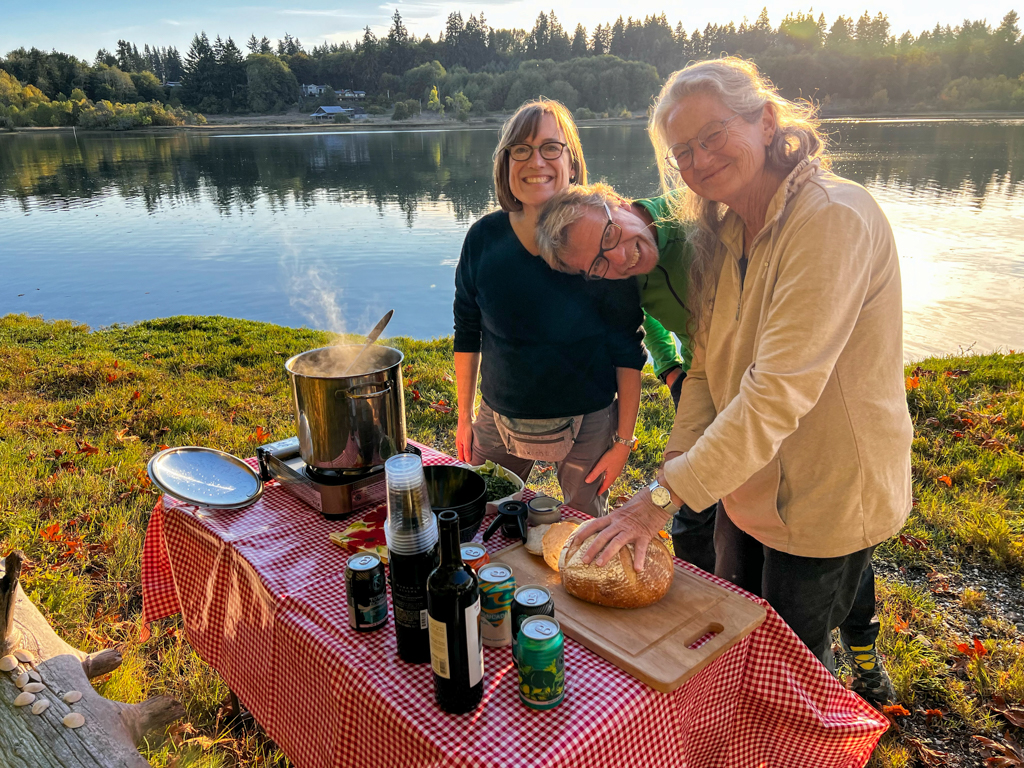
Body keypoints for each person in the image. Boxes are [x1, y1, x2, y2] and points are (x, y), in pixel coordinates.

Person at [536, 58, 912, 701]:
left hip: (825, 492)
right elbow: (706, 370)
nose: (701, 159)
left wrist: (657, 501)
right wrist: (672, 473)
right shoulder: (727, 228)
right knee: (738, 640)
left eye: (714, 135)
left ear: (767, 122)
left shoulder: (829, 218)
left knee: (792, 669)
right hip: (748, 484)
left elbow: (775, 395)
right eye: (684, 150)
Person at [453, 99, 646, 518]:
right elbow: (467, 331)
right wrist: (464, 416)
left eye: (550, 148)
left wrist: (623, 442)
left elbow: (628, 351)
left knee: (583, 536)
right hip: (497, 418)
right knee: (480, 520)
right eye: (520, 149)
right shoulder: (482, 239)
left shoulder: (603, 237)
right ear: (506, 164)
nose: (535, 160)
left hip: (588, 423)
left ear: (572, 163)